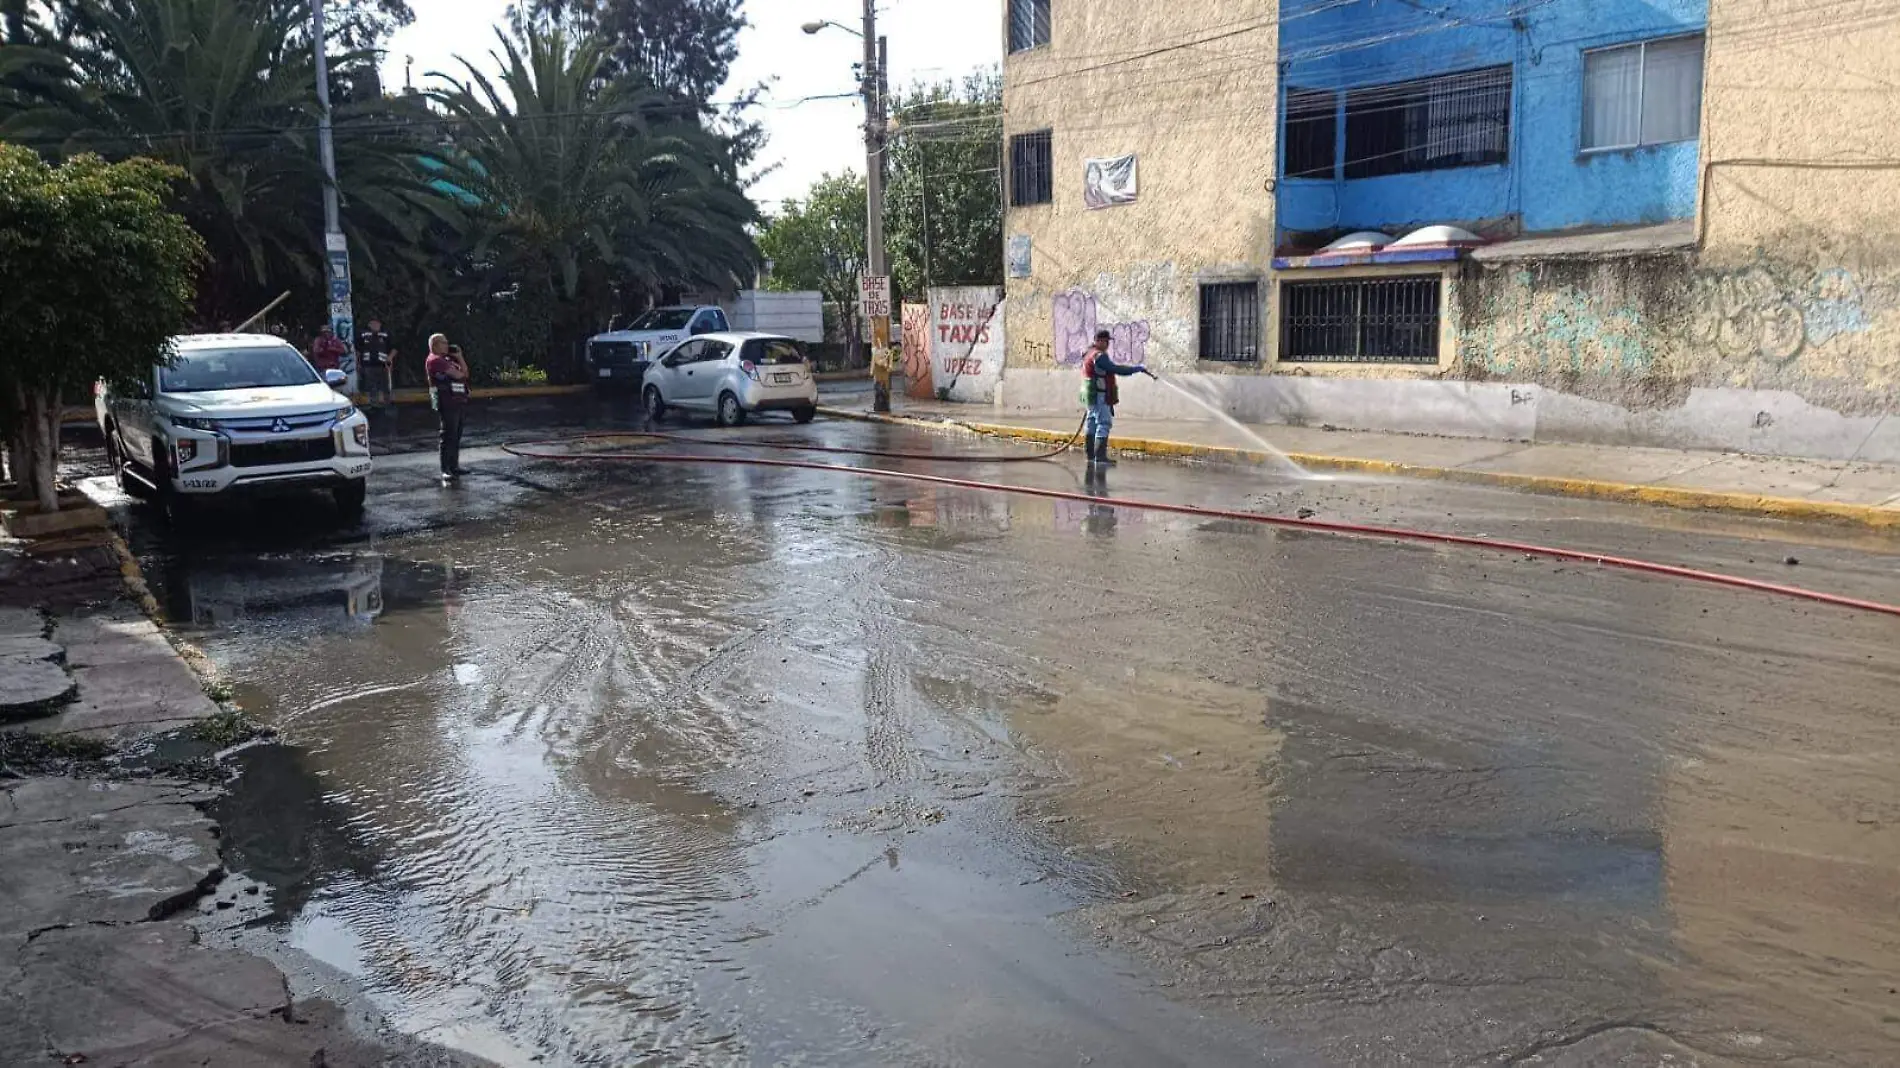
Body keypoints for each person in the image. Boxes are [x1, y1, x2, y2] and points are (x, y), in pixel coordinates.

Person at [1079, 329, 1146, 466]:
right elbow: (1116, 369)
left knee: (1091, 423)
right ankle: (1100, 457)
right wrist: (1136, 369)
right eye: (1105, 341)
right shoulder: (1099, 356)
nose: (1107, 344)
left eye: (1107, 341)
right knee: (1104, 423)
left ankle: (1090, 455)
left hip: (1090, 395)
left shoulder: (1088, 353)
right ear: (1099, 341)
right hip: (1100, 394)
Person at [425, 334, 470, 482]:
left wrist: (460, 357)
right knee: (448, 435)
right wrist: (461, 369)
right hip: (446, 401)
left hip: (457, 400)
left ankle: (454, 466)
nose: (447, 346)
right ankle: (445, 469)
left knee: (456, 435)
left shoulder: (448, 360)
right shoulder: (435, 360)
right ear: (435, 345)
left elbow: (465, 374)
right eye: (444, 343)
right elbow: (458, 375)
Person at [357, 318, 395, 406]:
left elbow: (394, 348)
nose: (375, 325)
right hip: (368, 365)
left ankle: (387, 403)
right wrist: (358, 363)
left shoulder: (386, 334)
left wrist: (390, 357)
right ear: (369, 325)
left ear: (380, 324)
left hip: (384, 365)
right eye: (372, 324)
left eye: (377, 324)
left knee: (386, 386)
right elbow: (358, 350)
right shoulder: (363, 335)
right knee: (371, 386)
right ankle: (373, 404)